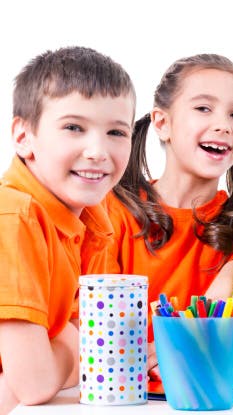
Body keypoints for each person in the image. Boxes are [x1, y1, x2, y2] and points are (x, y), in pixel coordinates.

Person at [0, 47, 134, 411]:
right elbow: (34, 384)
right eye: (74, 127)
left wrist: (65, 344)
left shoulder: (96, 216)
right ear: (24, 136)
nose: (97, 151)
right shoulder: (15, 215)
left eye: (116, 132)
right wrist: (72, 342)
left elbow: (102, 357)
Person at [106, 54, 233, 334]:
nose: (224, 125)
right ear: (162, 124)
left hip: (194, 375)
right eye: (203, 108)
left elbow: (212, 328)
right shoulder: (112, 213)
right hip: (119, 374)